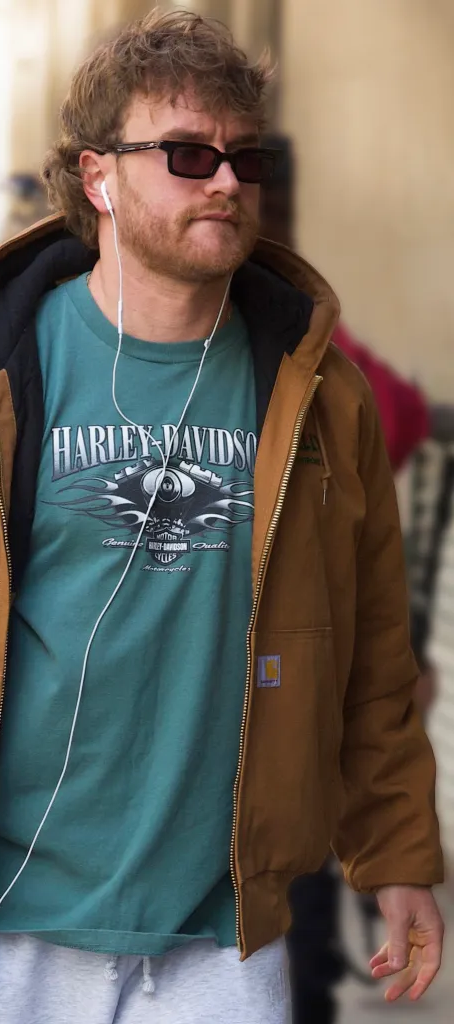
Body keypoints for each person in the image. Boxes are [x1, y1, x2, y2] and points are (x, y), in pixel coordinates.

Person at [0, 11, 444, 1024]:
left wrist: (396, 854)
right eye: (186, 154)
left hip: (217, 946)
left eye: (241, 157)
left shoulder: (320, 402)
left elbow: (372, 660)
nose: (224, 180)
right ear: (98, 178)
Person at [259, 132, 437, 1024]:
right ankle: (315, 968)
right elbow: (404, 416)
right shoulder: (305, 334)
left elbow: (397, 416)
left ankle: (312, 970)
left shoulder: (297, 338)